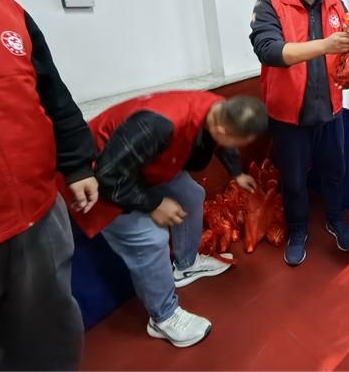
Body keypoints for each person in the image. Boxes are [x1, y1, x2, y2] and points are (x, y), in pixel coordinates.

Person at [0, 0, 98, 372]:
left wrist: (77, 163)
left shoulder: (1, 8)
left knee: (49, 339)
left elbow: (52, 93)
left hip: (38, 214)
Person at [72, 91, 267, 348]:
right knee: (151, 238)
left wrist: (236, 173)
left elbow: (223, 143)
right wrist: (154, 204)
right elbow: (108, 176)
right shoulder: (158, 124)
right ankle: (162, 317)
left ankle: (187, 264)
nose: (236, 147)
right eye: (238, 141)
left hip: (143, 165)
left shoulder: (218, 110)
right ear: (221, 129)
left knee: (192, 196)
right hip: (98, 179)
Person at [249, 0, 349, 267]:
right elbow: (269, 50)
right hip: (287, 115)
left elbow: (344, 53)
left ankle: (336, 219)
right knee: (293, 179)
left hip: (331, 110)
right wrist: (324, 45)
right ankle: (297, 230)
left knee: (335, 171)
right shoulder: (269, 2)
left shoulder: (337, 5)